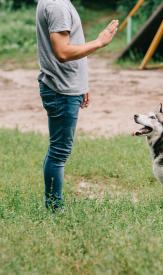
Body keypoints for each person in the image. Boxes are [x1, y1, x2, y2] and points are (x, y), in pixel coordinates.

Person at [36, 0, 119, 211]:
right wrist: (100, 42)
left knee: (58, 150)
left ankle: (53, 206)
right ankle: (55, 209)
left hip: (65, 86)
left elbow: (70, 46)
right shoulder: (58, 6)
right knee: (59, 152)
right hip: (61, 90)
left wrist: (82, 84)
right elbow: (63, 52)